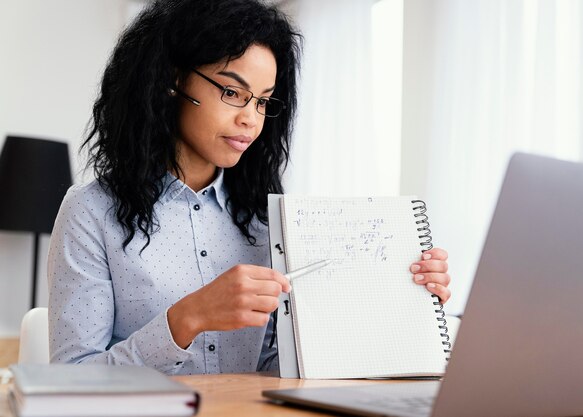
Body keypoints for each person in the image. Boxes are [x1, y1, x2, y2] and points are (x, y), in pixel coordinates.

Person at [48, 0, 452, 375]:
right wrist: (187, 319)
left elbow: (280, 367)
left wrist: (406, 302)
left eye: (262, 101)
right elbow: (69, 382)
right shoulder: (91, 211)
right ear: (173, 80)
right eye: (232, 93)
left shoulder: (267, 219)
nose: (251, 120)